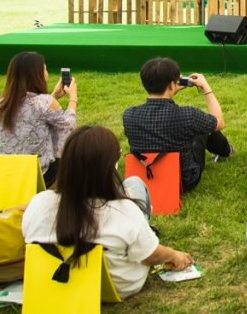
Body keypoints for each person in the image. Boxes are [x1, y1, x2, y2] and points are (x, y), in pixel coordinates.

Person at [22, 125, 194, 300]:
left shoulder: (39, 202)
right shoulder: (124, 211)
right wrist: (174, 255)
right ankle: (144, 232)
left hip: (53, 282)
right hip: (113, 287)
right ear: (109, 165)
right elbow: (150, 255)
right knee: (134, 184)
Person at [122, 58, 232, 193]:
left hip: (143, 179)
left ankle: (225, 151)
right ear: (171, 85)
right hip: (184, 180)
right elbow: (219, 122)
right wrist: (206, 88)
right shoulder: (189, 115)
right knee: (204, 126)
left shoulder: (129, 115)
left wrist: (171, 90)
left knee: (199, 124)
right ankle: (226, 151)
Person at [0, 52, 78, 186]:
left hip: (3, 174)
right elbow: (67, 127)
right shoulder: (44, 103)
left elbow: (31, 113)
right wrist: (73, 98)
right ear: (37, 74)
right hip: (37, 175)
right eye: (45, 69)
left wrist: (54, 95)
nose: (47, 73)